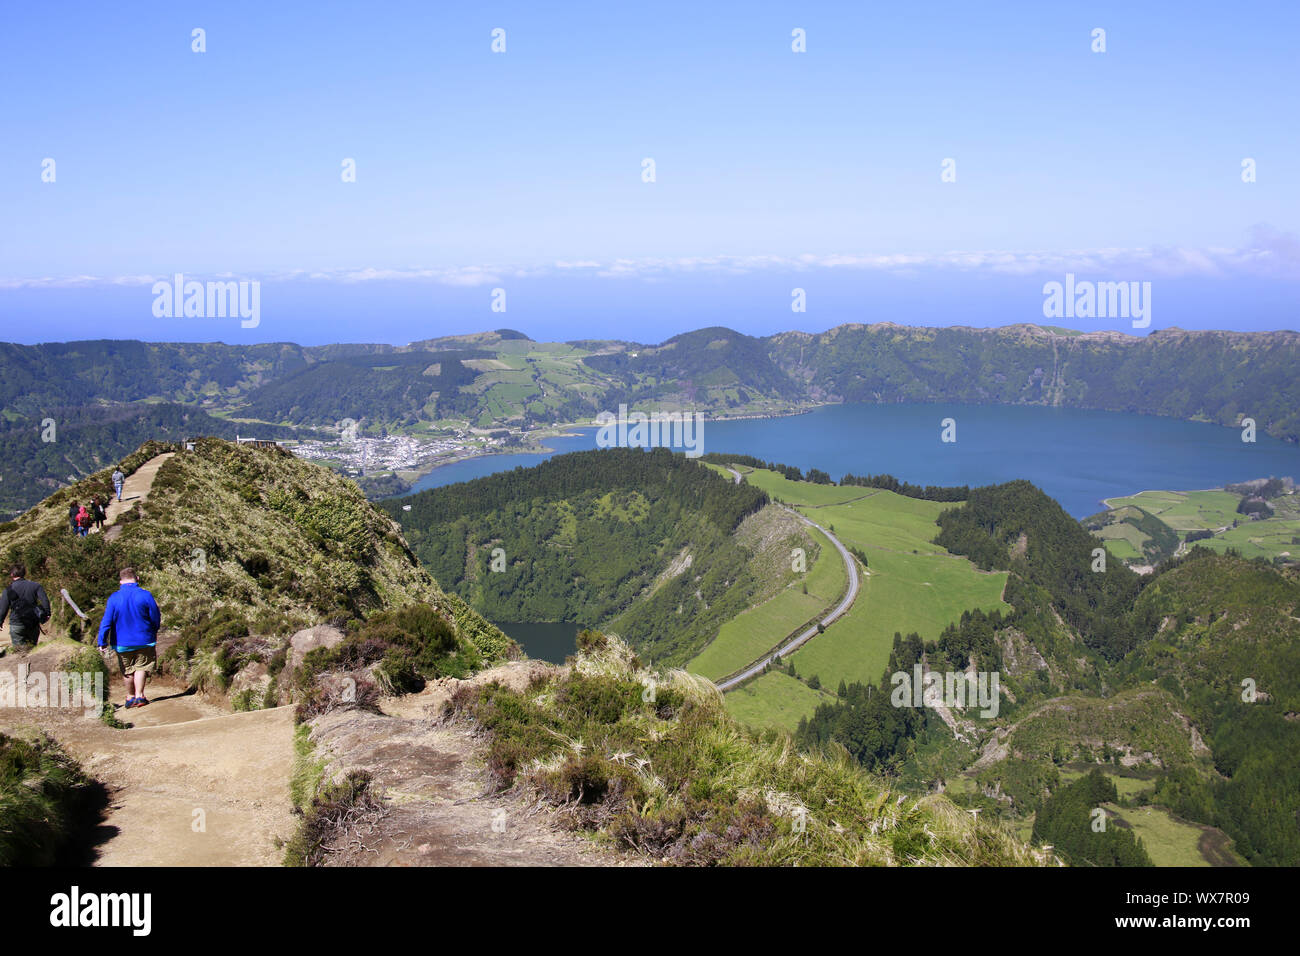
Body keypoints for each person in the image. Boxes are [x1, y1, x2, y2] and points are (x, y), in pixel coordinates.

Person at [96, 567, 161, 709]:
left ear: (120, 582)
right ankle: (140, 695)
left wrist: (102, 641)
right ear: (137, 578)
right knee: (141, 667)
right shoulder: (146, 595)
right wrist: (154, 629)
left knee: (127, 670)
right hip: (145, 639)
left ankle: (130, 697)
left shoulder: (114, 598)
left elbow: (106, 621)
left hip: (121, 642)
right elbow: (155, 616)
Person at [0, 563, 52, 652]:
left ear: (12, 574)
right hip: (33, 623)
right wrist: (47, 613)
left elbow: (3, 609)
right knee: (32, 651)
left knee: (19, 652)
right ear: (24, 573)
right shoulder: (35, 586)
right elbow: (45, 600)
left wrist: (0, 621)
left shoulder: (8, 590)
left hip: (16, 624)